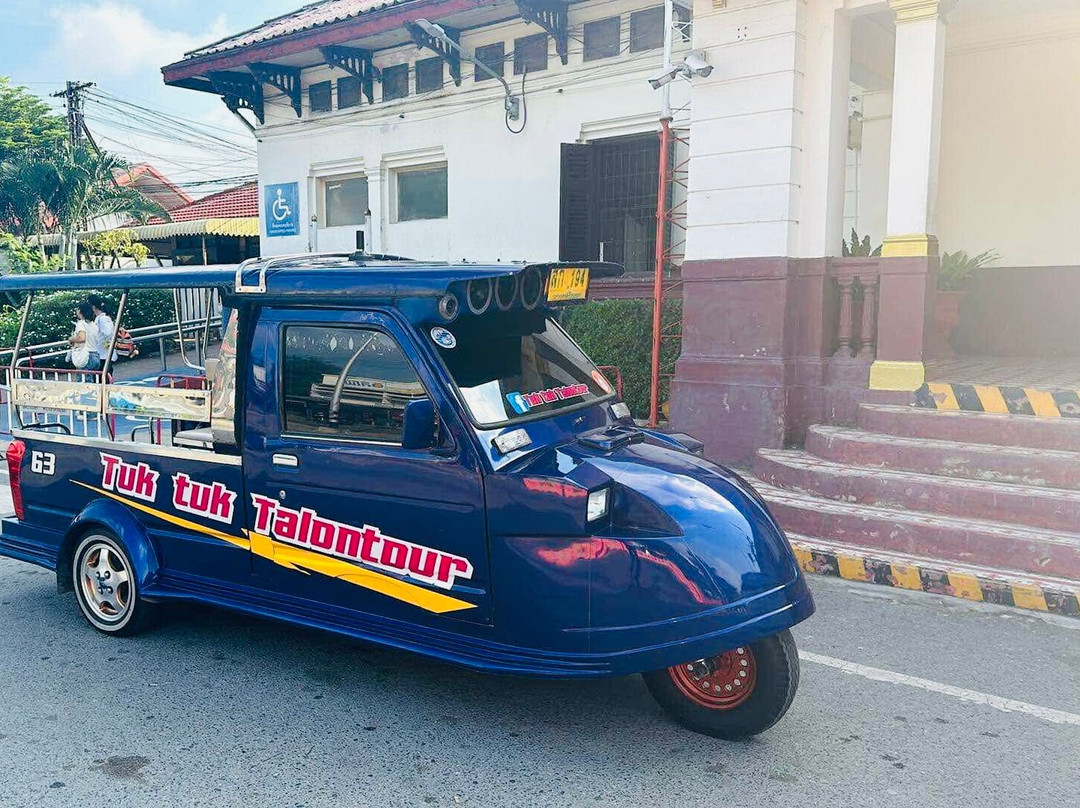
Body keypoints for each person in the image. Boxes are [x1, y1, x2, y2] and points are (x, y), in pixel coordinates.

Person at [68, 302, 102, 375]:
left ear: (80, 311)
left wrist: (71, 339)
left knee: (84, 382)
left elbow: (82, 338)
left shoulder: (81, 323)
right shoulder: (93, 325)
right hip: (96, 355)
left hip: (86, 357)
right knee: (92, 381)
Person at [87, 294, 117, 363]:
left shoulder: (103, 318)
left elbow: (108, 333)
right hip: (101, 354)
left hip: (104, 354)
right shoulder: (99, 318)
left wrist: (97, 342)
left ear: (93, 306)